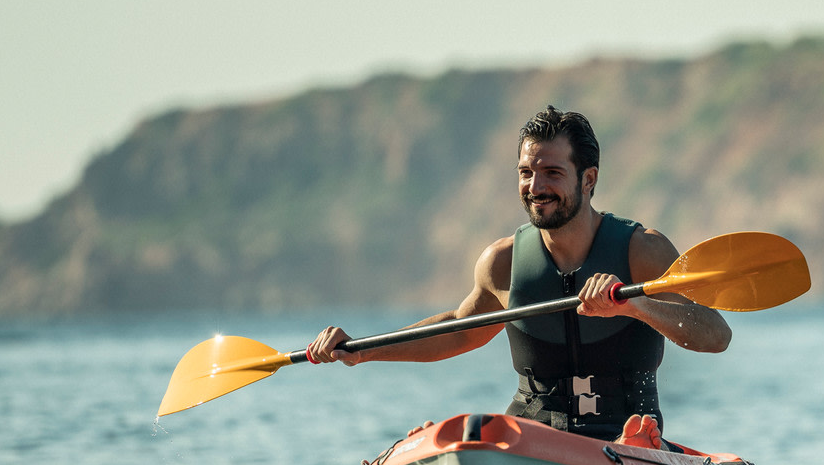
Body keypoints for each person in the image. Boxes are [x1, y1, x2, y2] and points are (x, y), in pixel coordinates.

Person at [306, 106, 730, 441]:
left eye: (552, 173)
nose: (535, 186)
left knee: (628, 442)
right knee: (468, 435)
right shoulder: (502, 262)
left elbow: (716, 335)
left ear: (589, 179)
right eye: (526, 172)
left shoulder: (643, 250)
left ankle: (635, 449)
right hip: (533, 437)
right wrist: (361, 349)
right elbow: (458, 329)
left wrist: (637, 306)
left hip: (626, 437)